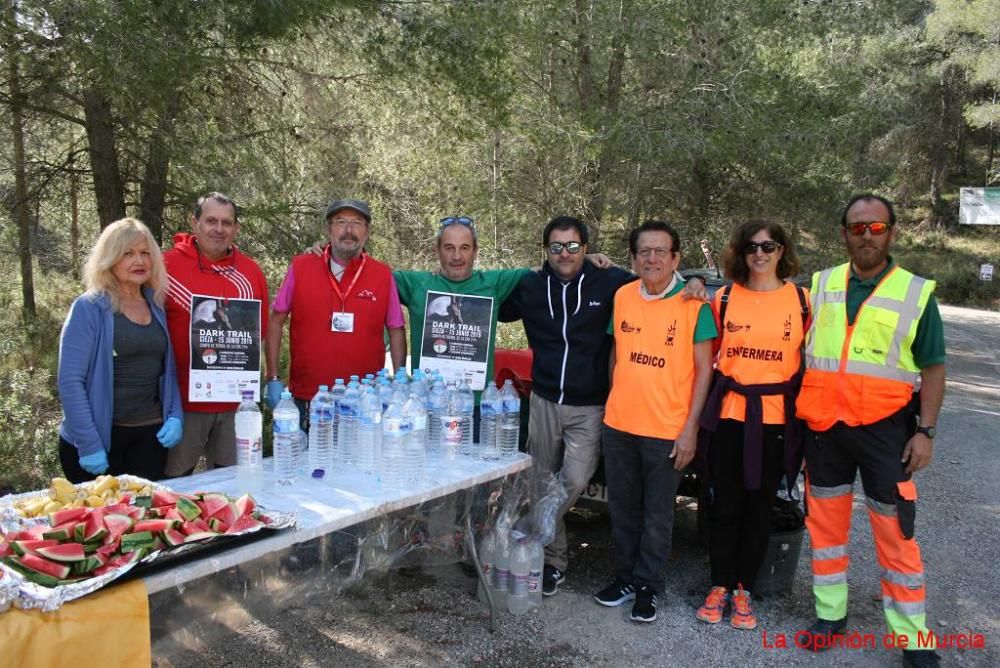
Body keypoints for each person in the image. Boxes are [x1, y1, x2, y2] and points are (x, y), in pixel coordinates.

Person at [795, 194, 945, 668]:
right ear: (843, 233)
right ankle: (829, 615)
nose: (866, 235)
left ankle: (912, 639)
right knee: (826, 528)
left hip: (887, 432)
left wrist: (926, 431)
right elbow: (762, 302)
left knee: (896, 532)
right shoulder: (819, 286)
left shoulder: (916, 292)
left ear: (892, 232)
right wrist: (695, 283)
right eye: (857, 227)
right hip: (824, 428)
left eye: (876, 228)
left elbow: (934, 369)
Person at [498, 216, 634, 596]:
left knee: (573, 480)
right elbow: (487, 300)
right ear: (546, 250)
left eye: (573, 246)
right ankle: (553, 562)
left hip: (589, 406)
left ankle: (527, 531)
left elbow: (655, 285)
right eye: (556, 247)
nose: (565, 254)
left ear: (586, 248)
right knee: (541, 481)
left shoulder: (609, 281)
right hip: (543, 400)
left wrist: (693, 285)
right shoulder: (529, 285)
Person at [594, 220, 717, 623]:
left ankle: (649, 585)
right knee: (623, 509)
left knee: (658, 514)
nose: (652, 258)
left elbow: (704, 372)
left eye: (660, 251)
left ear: (676, 258)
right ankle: (625, 577)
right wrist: (617, 397)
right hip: (620, 424)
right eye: (644, 251)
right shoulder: (624, 296)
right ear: (633, 258)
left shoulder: (695, 305)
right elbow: (617, 353)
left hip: (666, 430)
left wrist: (690, 429)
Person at [695, 220, 809, 630]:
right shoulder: (723, 298)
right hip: (728, 415)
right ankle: (719, 585)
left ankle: (744, 589)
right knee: (723, 505)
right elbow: (703, 348)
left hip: (776, 419)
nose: (759, 254)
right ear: (740, 253)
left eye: (769, 245)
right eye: (751, 247)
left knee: (760, 506)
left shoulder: (802, 301)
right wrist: (690, 286)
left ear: (782, 250)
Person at [57, 218, 183, 482]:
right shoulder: (89, 307)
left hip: (149, 437)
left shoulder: (156, 305)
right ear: (110, 258)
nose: (139, 261)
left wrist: (174, 415)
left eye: (145, 253)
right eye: (128, 253)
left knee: (145, 520)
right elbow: (70, 382)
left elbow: (167, 370)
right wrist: (89, 443)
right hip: (100, 440)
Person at [265, 199, 406, 421]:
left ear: (367, 232)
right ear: (329, 229)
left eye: (357, 223)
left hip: (365, 402)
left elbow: (397, 329)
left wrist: (400, 381)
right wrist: (272, 377)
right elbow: (275, 320)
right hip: (309, 399)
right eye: (341, 222)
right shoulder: (301, 267)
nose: (348, 230)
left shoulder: (382, 274)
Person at [163, 192, 269, 478]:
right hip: (181, 403)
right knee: (174, 482)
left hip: (236, 404)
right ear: (194, 223)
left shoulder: (250, 272)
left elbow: (262, 332)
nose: (218, 229)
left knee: (232, 483)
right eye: (211, 221)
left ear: (236, 229)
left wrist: (270, 378)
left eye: (226, 223)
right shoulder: (166, 266)